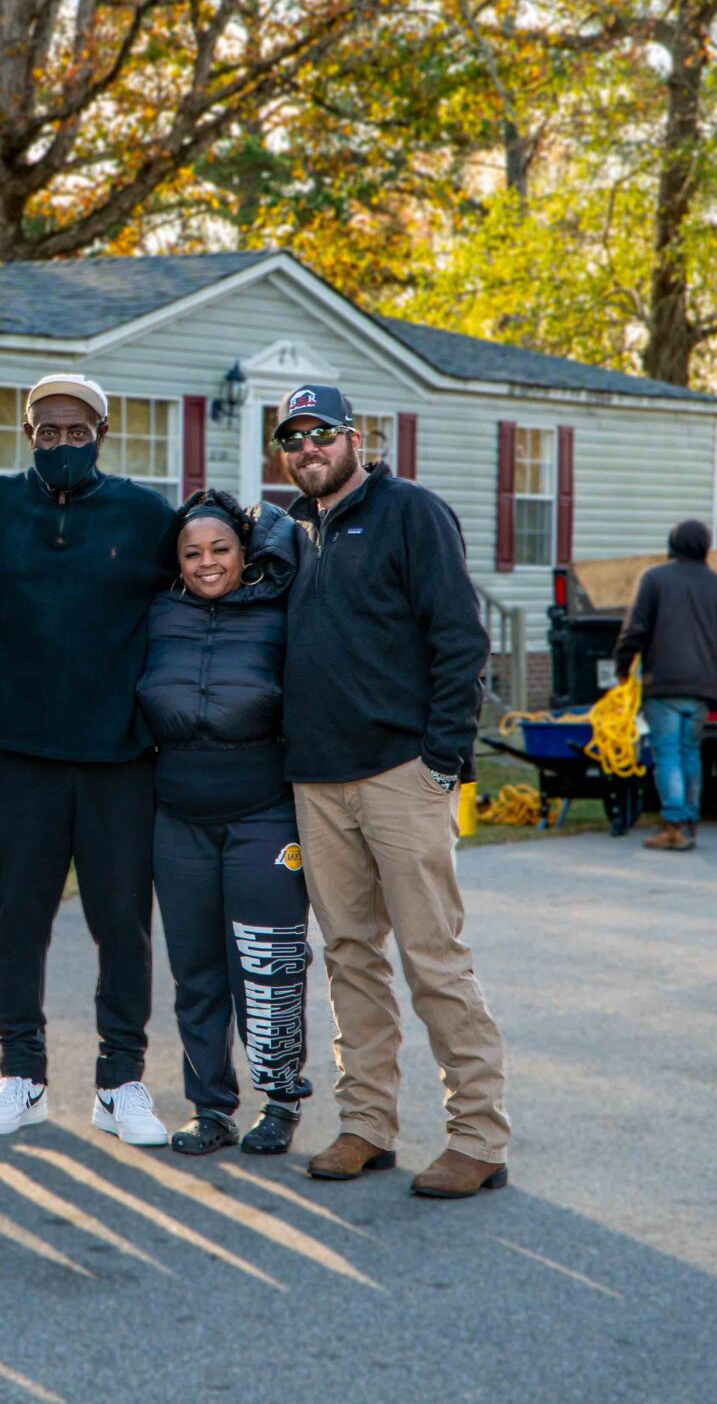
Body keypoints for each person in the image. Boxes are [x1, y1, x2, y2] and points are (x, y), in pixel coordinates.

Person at [275, 382, 510, 1198]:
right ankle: (367, 1123)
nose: (308, 449)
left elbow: (460, 637)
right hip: (317, 777)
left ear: (355, 437)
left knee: (433, 955)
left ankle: (478, 1135)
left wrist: (441, 760)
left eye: (321, 433)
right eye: (293, 438)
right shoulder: (292, 532)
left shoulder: (410, 510)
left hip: (399, 773)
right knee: (348, 955)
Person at [0, 374, 177, 1146]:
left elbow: (214, 570)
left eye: (74, 430)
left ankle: (121, 1083)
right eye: (44, 431)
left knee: (123, 922)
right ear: (28, 434)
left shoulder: (147, 515)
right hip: (20, 751)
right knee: (17, 921)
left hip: (120, 755)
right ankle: (22, 1074)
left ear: (101, 434)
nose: (60, 443)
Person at [137, 490, 315, 1156]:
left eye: (220, 549)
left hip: (264, 812)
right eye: (192, 552)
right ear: (176, 562)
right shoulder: (157, 612)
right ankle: (210, 1107)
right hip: (178, 815)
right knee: (197, 969)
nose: (207, 562)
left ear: (245, 552)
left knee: (268, 965)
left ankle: (280, 1099)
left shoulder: (281, 608)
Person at [613, 518, 717, 852]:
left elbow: (634, 630)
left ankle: (674, 824)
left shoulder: (655, 579)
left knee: (668, 753)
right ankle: (689, 823)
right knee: (691, 752)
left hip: (662, 684)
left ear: (673, 543)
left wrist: (623, 667)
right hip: (703, 687)